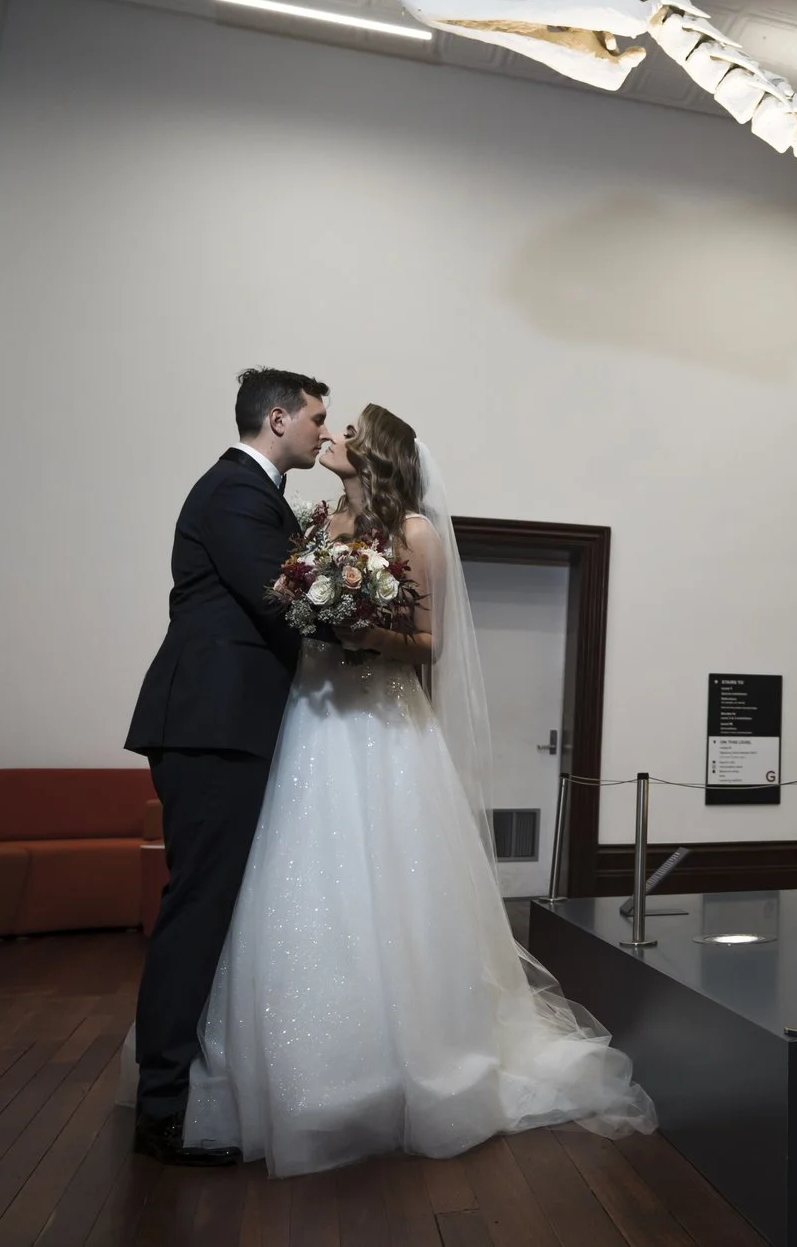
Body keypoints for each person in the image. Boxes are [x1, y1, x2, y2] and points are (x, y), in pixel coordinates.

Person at [175, 403, 654, 1175]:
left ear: (379, 455)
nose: (334, 437)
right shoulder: (319, 524)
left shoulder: (416, 533)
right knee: (309, 879)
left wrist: (363, 630)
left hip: (385, 720)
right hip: (313, 718)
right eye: (332, 426)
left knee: (395, 885)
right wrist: (318, 610)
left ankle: (417, 1059)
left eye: (349, 433)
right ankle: (306, 1067)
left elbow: (429, 644)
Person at [125, 366, 328, 1166]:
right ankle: (162, 1108)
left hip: (225, 721)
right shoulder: (237, 490)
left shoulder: (253, 491)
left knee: (212, 905)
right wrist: (364, 616)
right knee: (198, 909)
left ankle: (190, 1084)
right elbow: (282, 599)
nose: (322, 430)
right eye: (315, 417)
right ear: (277, 418)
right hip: (211, 723)